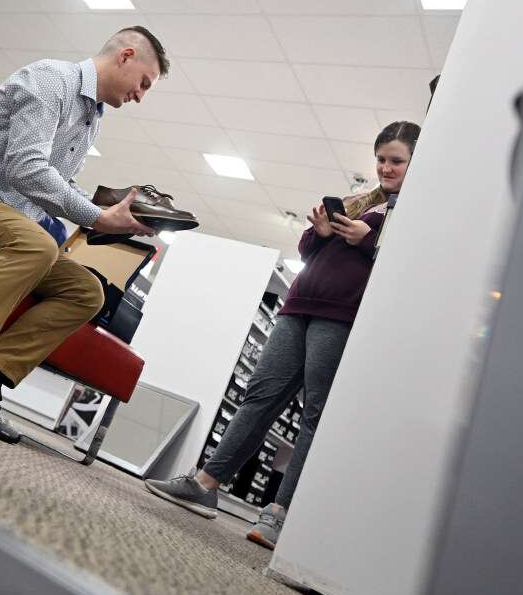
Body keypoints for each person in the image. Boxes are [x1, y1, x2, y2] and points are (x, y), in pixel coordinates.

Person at [143, 121, 420, 549]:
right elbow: (310, 252)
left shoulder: (415, 213)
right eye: (381, 159)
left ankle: (278, 514)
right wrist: (322, 233)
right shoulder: (363, 200)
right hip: (299, 306)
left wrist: (370, 240)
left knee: (314, 414)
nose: (386, 167)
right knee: (260, 396)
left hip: (342, 316)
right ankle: (206, 482)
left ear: (415, 162)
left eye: (396, 160)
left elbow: (406, 267)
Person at [0, 26, 169, 443]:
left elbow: (57, 185)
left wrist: (110, 219)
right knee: (33, 244)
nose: (140, 96)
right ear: (126, 56)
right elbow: (26, 168)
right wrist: (96, 217)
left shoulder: (92, 118)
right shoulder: (51, 80)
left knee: (85, 291)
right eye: (144, 84)